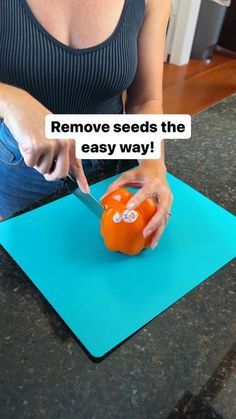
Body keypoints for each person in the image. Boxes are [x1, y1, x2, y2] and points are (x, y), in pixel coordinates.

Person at [0, 0, 173, 249]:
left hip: (117, 165)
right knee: (32, 256)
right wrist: (11, 99)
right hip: (25, 165)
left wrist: (154, 163)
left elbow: (146, 99)